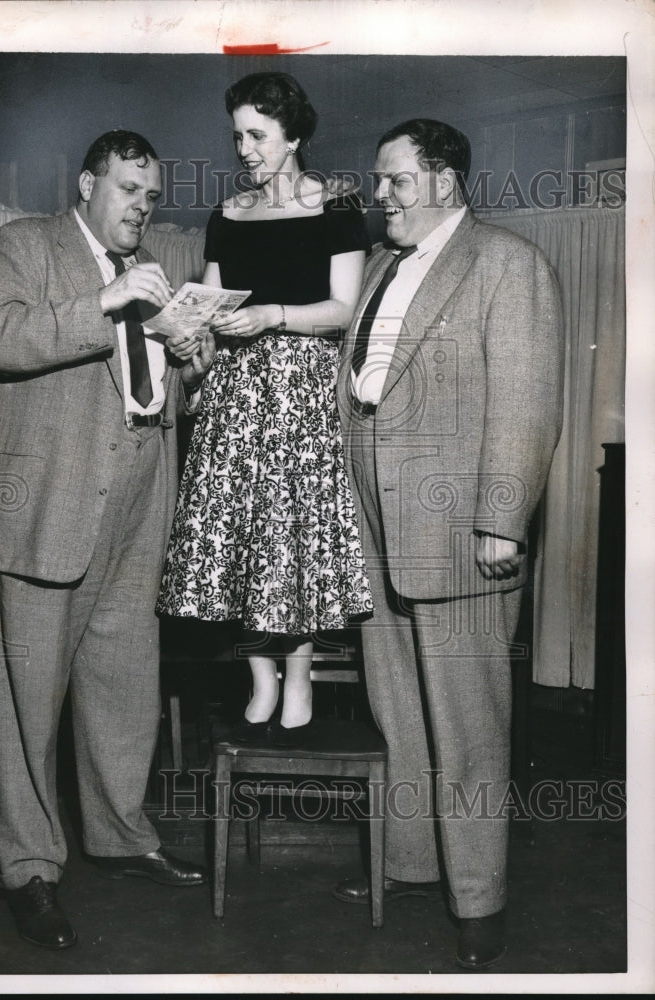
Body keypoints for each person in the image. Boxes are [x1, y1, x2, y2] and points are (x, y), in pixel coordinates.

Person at [0, 129, 214, 950]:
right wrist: (105, 304)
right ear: (86, 184)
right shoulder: (21, 245)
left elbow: (153, 387)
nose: (142, 207)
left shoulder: (149, 276)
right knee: (29, 703)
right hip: (48, 505)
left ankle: (120, 835)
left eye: (152, 196)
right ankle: (30, 868)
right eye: (128, 190)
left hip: (141, 497)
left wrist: (190, 354)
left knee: (124, 682)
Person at [333, 119, 564, 969]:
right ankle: (412, 865)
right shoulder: (386, 269)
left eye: (395, 180)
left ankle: (479, 898)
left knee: (467, 727)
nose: (381, 195)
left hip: (460, 532)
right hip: (374, 522)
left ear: (444, 180)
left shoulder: (507, 263)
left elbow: (529, 400)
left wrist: (502, 517)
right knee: (398, 713)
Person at [156, 72, 373, 746]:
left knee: (291, 536)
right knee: (240, 532)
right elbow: (215, 310)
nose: (245, 148)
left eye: (258, 134)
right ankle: (259, 675)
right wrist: (191, 335)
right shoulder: (227, 215)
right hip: (235, 394)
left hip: (302, 391)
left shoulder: (337, 211)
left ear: (295, 135)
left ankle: (300, 673)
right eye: (238, 135)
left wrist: (274, 315)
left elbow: (343, 309)